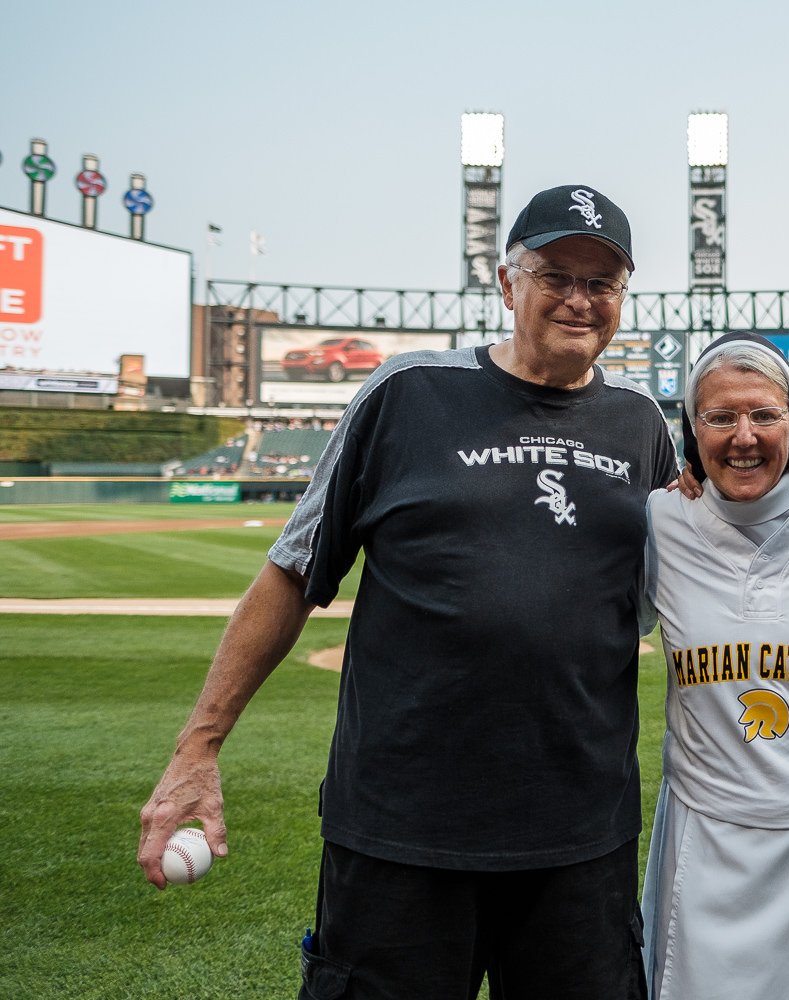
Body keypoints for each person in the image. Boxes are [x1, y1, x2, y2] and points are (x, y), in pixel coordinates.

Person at [137, 184, 678, 1000]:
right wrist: (197, 749)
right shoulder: (407, 392)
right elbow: (291, 573)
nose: (578, 299)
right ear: (506, 285)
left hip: (578, 841)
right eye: (554, 275)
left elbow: (684, 595)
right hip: (400, 835)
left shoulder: (641, 425)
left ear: (622, 299)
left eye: (601, 283)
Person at [640, 332, 789, 1000]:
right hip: (704, 830)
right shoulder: (661, 519)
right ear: (692, 428)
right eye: (720, 417)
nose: (742, 436)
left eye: (763, 415)